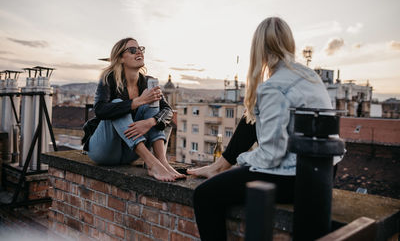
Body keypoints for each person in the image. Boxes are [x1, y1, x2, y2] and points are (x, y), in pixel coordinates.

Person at [189, 17, 333, 241]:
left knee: (204, 195)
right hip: (323, 172)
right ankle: (219, 165)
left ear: (257, 48)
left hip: (294, 178)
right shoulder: (309, 75)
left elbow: (271, 156)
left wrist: (240, 163)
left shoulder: (273, 87)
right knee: (252, 115)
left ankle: (220, 167)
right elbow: (257, 122)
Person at [83, 37, 185, 182]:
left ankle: (162, 162)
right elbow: (100, 110)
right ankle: (152, 164)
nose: (139, 52)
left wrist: (150, 122)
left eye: (140, 49)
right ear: (121, 58)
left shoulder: (148, 81)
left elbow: (167, 111)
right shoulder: (108, 79)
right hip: (104, 151)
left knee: (154, 103)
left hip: (129, 153)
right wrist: (138, 101)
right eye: (132, 50)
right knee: (117, 104)